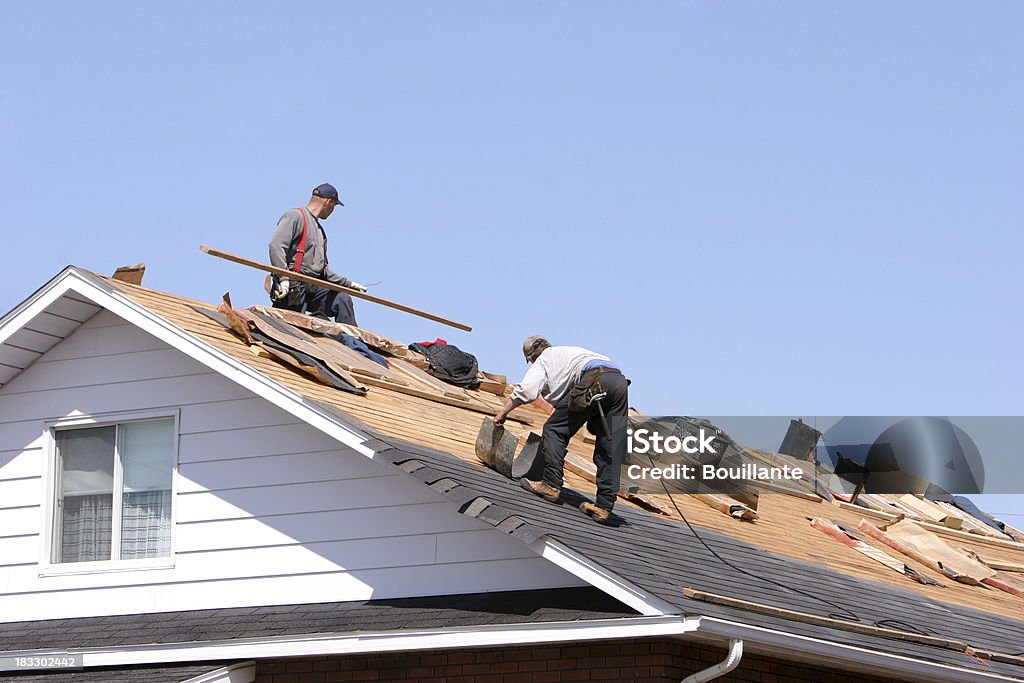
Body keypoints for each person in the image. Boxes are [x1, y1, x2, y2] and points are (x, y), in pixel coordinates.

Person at [493, 335, 629, 525]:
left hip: (595, 380)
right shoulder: (567, 354)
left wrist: (502, 413)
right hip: (618, 382)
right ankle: (604, 507)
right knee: (609, 443)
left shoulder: (543, 360)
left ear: (531, 358)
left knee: (554, 429)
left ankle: (550, 484)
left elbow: (528, 391)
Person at [268, 183, 367, 325]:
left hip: (313, 287)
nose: (332, 211)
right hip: (294, 286)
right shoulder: (296, 216)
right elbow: (276, 246)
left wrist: (348, 284)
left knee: (342, 299)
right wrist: (283, 278)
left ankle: (353, 342)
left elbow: (322, 270)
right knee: (290, 327)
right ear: (329, 203)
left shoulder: (319, 231)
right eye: (333, 207)